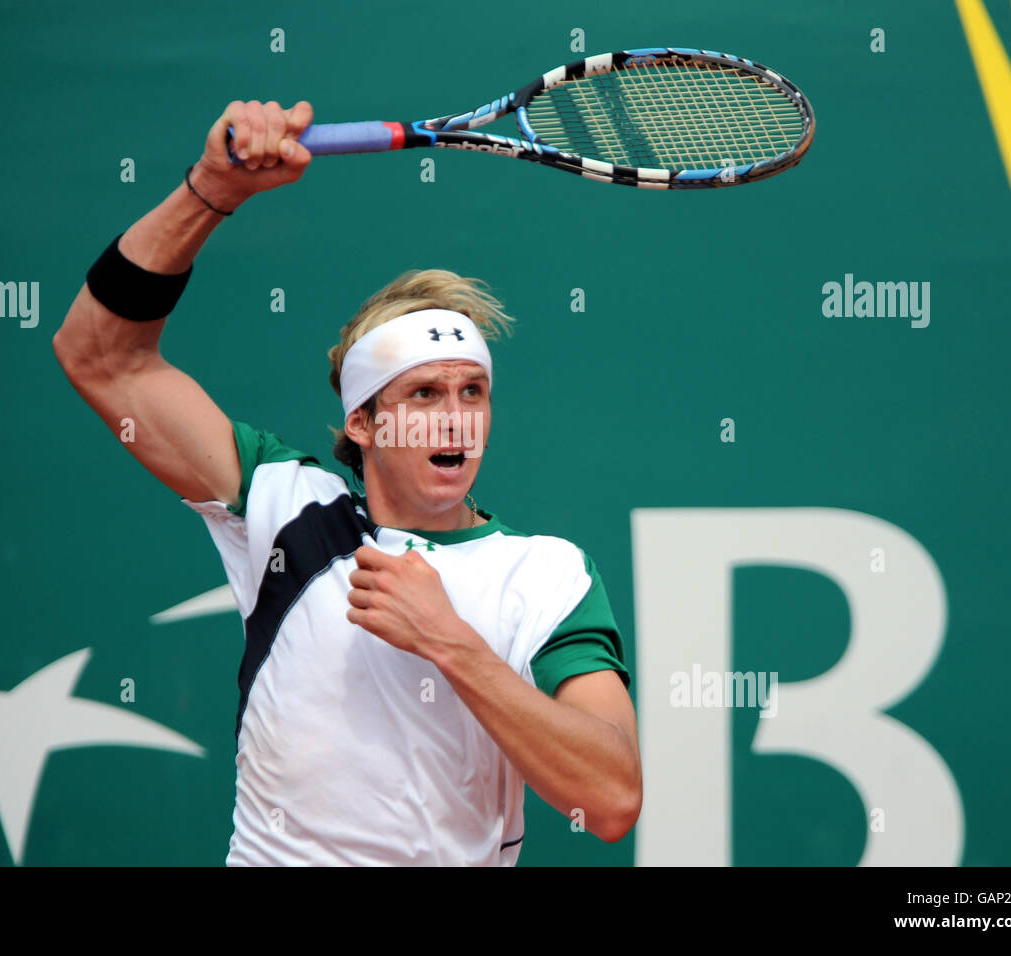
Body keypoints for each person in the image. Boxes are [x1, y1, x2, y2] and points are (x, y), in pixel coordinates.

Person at [53, 99, 642, 865]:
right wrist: (211, 192)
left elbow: (610, 801)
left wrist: (451, 646)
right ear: (362, 423)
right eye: (423, 395)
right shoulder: (282, 507)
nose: (456, 419)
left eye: (472, 392)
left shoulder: (546, 575)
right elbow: (99, 355)